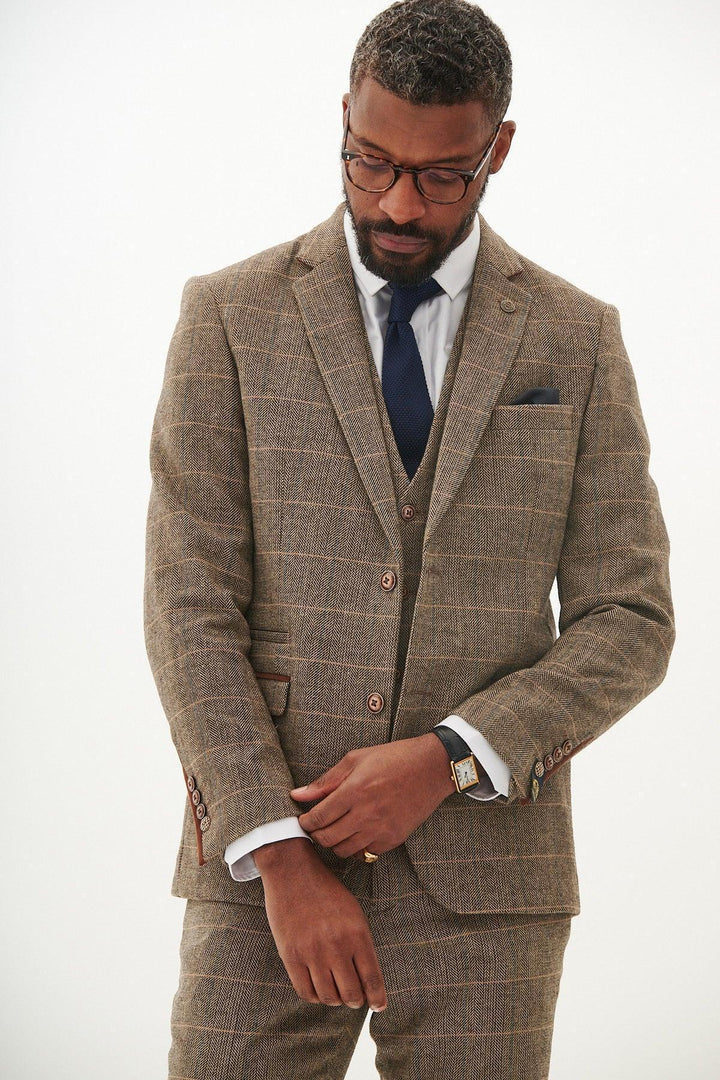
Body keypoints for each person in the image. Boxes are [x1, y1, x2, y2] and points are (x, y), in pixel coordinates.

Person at [143, 1, 675, 1076]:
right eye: (368, 161)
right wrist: (281, 860)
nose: (397, 202)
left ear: (499, 150)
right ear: (343, 117)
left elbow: (631, 620)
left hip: (492, 881)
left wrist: (449, 757)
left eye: (442, 176)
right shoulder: (229, 318)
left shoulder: (577, 338)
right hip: (264, 869)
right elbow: (188, 609)